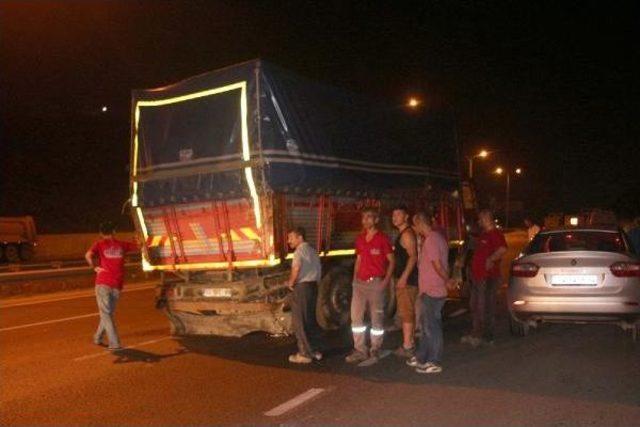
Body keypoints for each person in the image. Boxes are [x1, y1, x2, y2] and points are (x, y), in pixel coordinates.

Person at [345, 207, 395, 366]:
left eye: (369, 217)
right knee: (356, 318)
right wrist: (354, 280)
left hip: (376, 283)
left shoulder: (382, 239)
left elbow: (392, 261)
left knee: (376, 319)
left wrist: (385, 282)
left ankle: (375, 348)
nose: (365, 220)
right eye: (364, 218)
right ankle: (360, 349)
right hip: (359, 284)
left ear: (376, 220)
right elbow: (358, 260)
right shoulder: (360, 239)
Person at [406, 212, 454, 374]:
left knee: (431, 327)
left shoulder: (432, 240)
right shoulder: (437, 238)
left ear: (420, 223)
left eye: (415, 224)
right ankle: (422, 357)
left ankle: (434, 360)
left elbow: (437, 265)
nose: (414, 228)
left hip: (433, 290)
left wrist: (447, 280)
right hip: (431, 289)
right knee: (427, 326)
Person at [85, 221, 139, 351]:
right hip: (117, 284)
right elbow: (140, 246)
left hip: (103, 282)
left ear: (101, 233)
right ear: (114, 232)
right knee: (108, 314)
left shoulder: (99, 244)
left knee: (106, 314)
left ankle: (114, 344)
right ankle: (97, 337)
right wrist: (138, 238)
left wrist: (95, 267)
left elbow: (88, 255)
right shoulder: (122, 245)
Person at [461, 210, 507, 347]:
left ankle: (486, 336)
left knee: (485, 307)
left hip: (488, 277)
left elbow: (503, 249)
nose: (479, 222)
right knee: (476, 305)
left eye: (480, 219)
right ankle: (476, 333)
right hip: (478, 276)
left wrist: (491, 259)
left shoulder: (495, 234)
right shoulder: (484, 234)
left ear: (487, 219)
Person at [286, 227, 324, 364]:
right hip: (312, 287)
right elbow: (319, 270)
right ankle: (315, 350)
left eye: (291, 237)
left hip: (302, 288)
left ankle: (304, 353)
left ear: (300, 237)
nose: (288, 241)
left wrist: (291, 282)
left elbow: (296, 268)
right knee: (310, 320)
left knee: (300, 322)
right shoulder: (313, 251)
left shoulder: (299, 251)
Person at [391, 205, 419, 357]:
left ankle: (407, 346)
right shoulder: (403, 233)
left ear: (406, 216)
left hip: (407, 282)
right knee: (407, 312)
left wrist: (403, 277)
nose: (394, 217)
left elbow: (413, 256)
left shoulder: (407, 234)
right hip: (407, 280)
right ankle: (410, 343)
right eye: (393, 214)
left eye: (398, 214)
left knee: (406, 313)